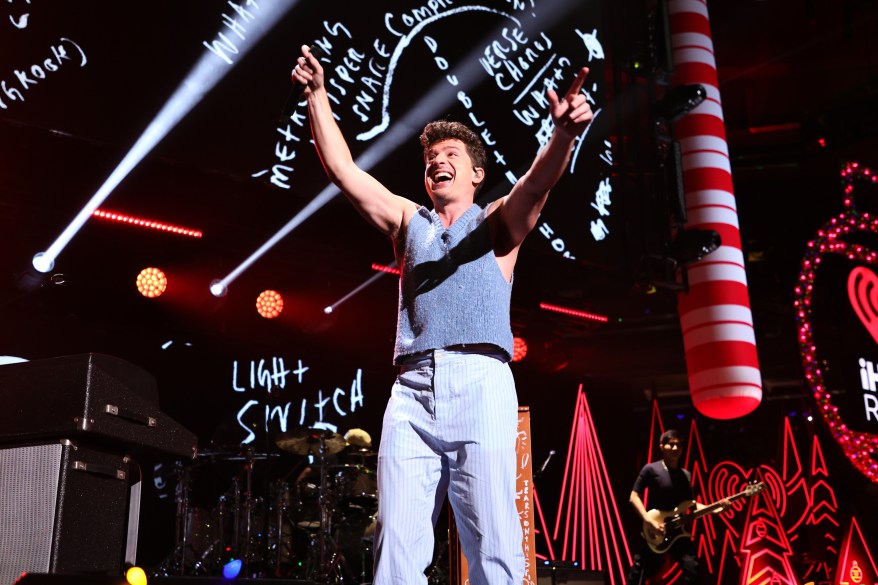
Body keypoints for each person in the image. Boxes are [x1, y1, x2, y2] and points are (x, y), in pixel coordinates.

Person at [292, 44, 592, 585]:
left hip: (480, 381)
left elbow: (538, 183)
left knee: (494, 539)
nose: (437, 160)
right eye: (431, 157)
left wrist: (565, 134)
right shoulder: (409, 221)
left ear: (477, 173)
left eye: (451, 153)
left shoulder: (496, 223)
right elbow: (342, 170)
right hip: (411, 391)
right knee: (396, 544)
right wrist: (317, 96)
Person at [627, 429, 729, 585]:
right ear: (661, 446)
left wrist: (715, 508)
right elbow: (634, 497)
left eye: (679, 446)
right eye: (671, 444)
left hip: (678, 532)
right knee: (639, 573)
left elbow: (691, 505)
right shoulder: (651, 469)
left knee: (692, 569)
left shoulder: (685, 475)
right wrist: (648, 520)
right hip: (655, 529)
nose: (675, 449)